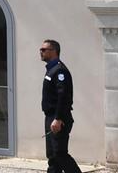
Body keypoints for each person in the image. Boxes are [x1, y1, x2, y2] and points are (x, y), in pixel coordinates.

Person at [40, 38, 80, 173]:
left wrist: (58, 118)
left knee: (60, 154)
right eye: (41, 49)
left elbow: (63, 97)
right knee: (52, 156)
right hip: (50, 117)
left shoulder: (60, 71)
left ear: (54, 52)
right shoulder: (51, 69)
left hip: (59, 118)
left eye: (44, 50)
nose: (41, 52)